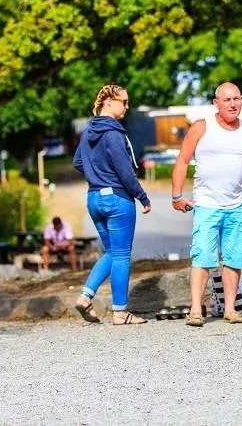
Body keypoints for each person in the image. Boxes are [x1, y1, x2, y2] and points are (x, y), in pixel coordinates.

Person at [171, 82, 242, 327]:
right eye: (227, 100)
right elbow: (183, 161)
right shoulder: (201, 128)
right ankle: (196, 309)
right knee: (203, 257)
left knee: (235, 259)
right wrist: (177, 195)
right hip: (207, 205)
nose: (233, 104)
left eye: (237, 99)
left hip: (237, 206)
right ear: (216, 103)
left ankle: (230, 309)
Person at [72, 83, 152, 325]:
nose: (127, 106)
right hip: (117, 200)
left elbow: (78, 161)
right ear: (108, 102)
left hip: (95, 198)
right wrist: (142, 196)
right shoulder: (114, 133)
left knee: (111, 252)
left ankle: (85, 297)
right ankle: (120, 312)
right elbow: (125, 171)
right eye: (123, 102)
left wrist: (97, 175)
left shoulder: (88, 131)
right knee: (121, 256)